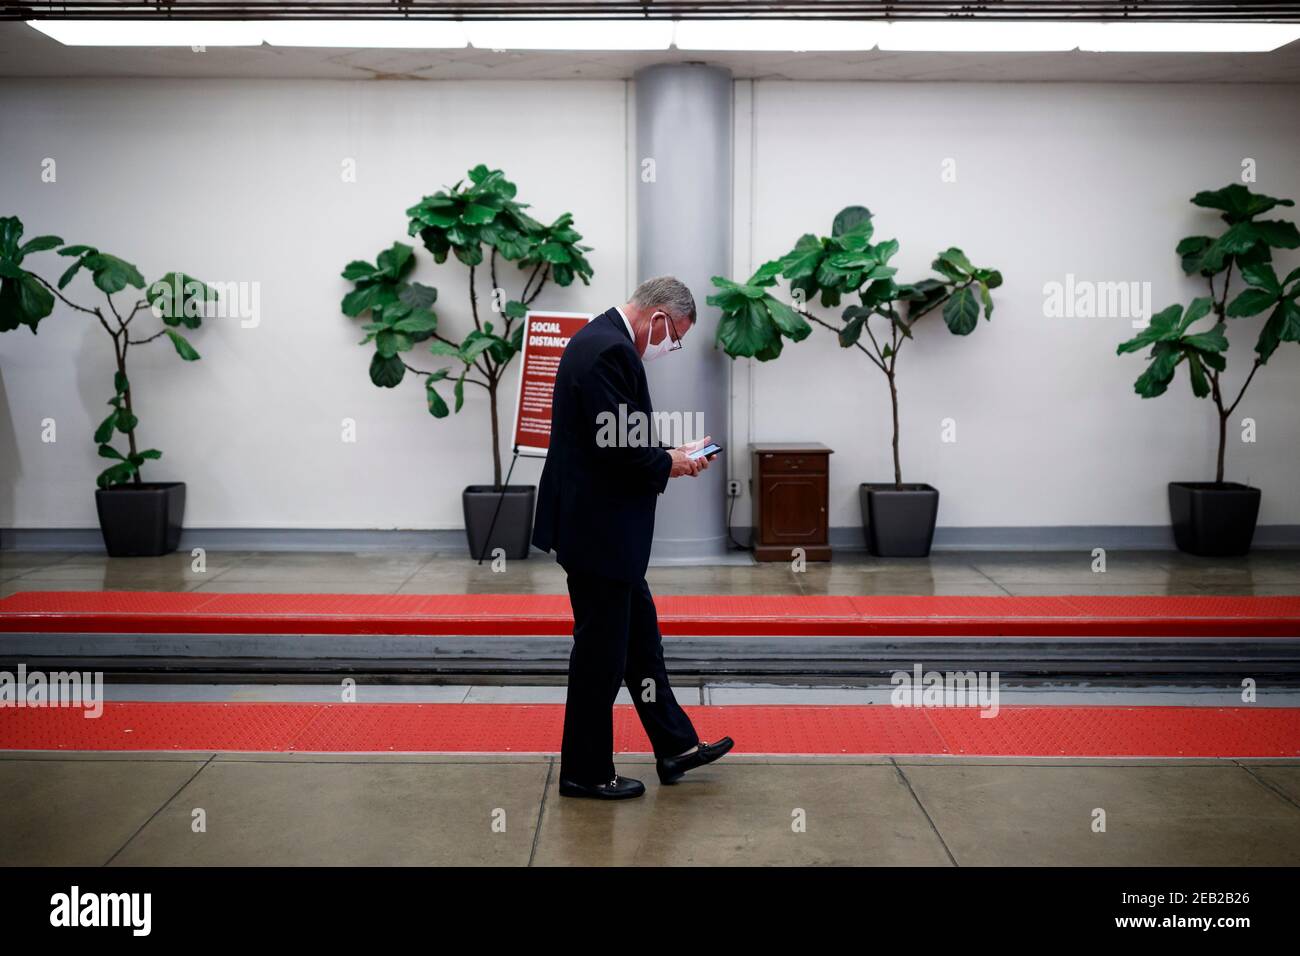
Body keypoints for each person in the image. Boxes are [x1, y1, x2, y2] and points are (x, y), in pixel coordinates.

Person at [532, 276, 734, 800]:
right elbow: (617, 452)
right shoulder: (610, 351)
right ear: (660, 318)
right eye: (676, 338)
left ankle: (675, 746)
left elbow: (620, 434)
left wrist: (670, 452)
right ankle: (585, 771)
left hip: (602, 532)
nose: (672, 348)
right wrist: (671, 463)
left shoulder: (602, 340)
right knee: (600, 657)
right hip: (600, 533)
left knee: (641, 644)